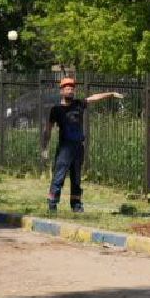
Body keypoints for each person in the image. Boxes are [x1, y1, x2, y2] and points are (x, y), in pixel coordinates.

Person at [39, 75, 124, 213]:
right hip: (65, 149)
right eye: (67, 88)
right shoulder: (56, 110)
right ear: (61, 91)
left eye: (72, 88)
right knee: (59, 176)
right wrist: (44, 147)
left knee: (76, 178)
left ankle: (76, 205)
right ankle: (52, 203)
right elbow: (48, 129)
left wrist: (111, 94)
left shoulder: (79, 104)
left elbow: (94, 97)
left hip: (78, 147)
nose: (70, 90)